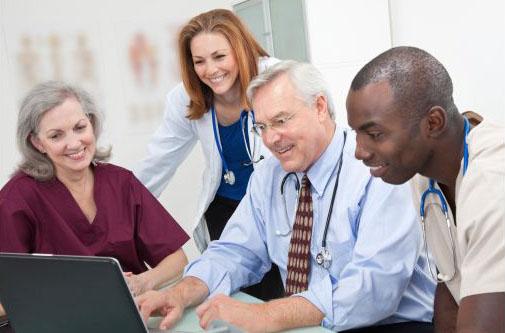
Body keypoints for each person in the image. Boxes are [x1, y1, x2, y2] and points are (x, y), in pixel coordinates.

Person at [137, 61, 436, 333]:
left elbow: (373, 288)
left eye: (281, 121)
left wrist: (268, 315)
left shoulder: (377, 170)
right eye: (261, 126)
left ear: (320, 107)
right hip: (310, 324)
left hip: (393, 323)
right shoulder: (268, 176)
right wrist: (182, 291)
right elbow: (234, 251)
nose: (269, 139)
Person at [346, 46, 505, 332]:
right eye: (356, 133)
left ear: (433, 123)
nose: (360, 152)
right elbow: (450, 280)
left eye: (374, 134)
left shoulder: (493, 184)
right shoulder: (425, 175)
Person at [134, 8, 283, 301]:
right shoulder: (186, 97)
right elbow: (158, 160)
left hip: (278, 209)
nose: (210, 70)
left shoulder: (277, 78)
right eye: (199, 61)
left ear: (239, 49)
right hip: (225, 213)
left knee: (281, 296)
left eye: (219, 56)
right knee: (237, 298)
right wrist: (120, 210)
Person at [0, 81, 189, 305]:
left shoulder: (121, 182)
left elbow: (177, 259)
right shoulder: (17, 198)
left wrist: (143, 282)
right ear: (37, 143)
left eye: (80, 128)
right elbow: (7, 294)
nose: (74, 143)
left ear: (92, 123)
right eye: (56, 136)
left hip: (130, 312)